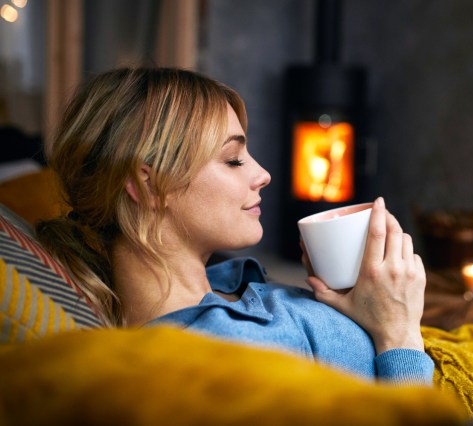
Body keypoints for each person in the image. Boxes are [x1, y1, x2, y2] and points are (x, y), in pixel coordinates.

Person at [36, 67, 433, 385]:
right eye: (233, 159)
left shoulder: (226, 286)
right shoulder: (226, 356)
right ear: (150, 184)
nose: (263, 174)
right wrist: (399, 332)